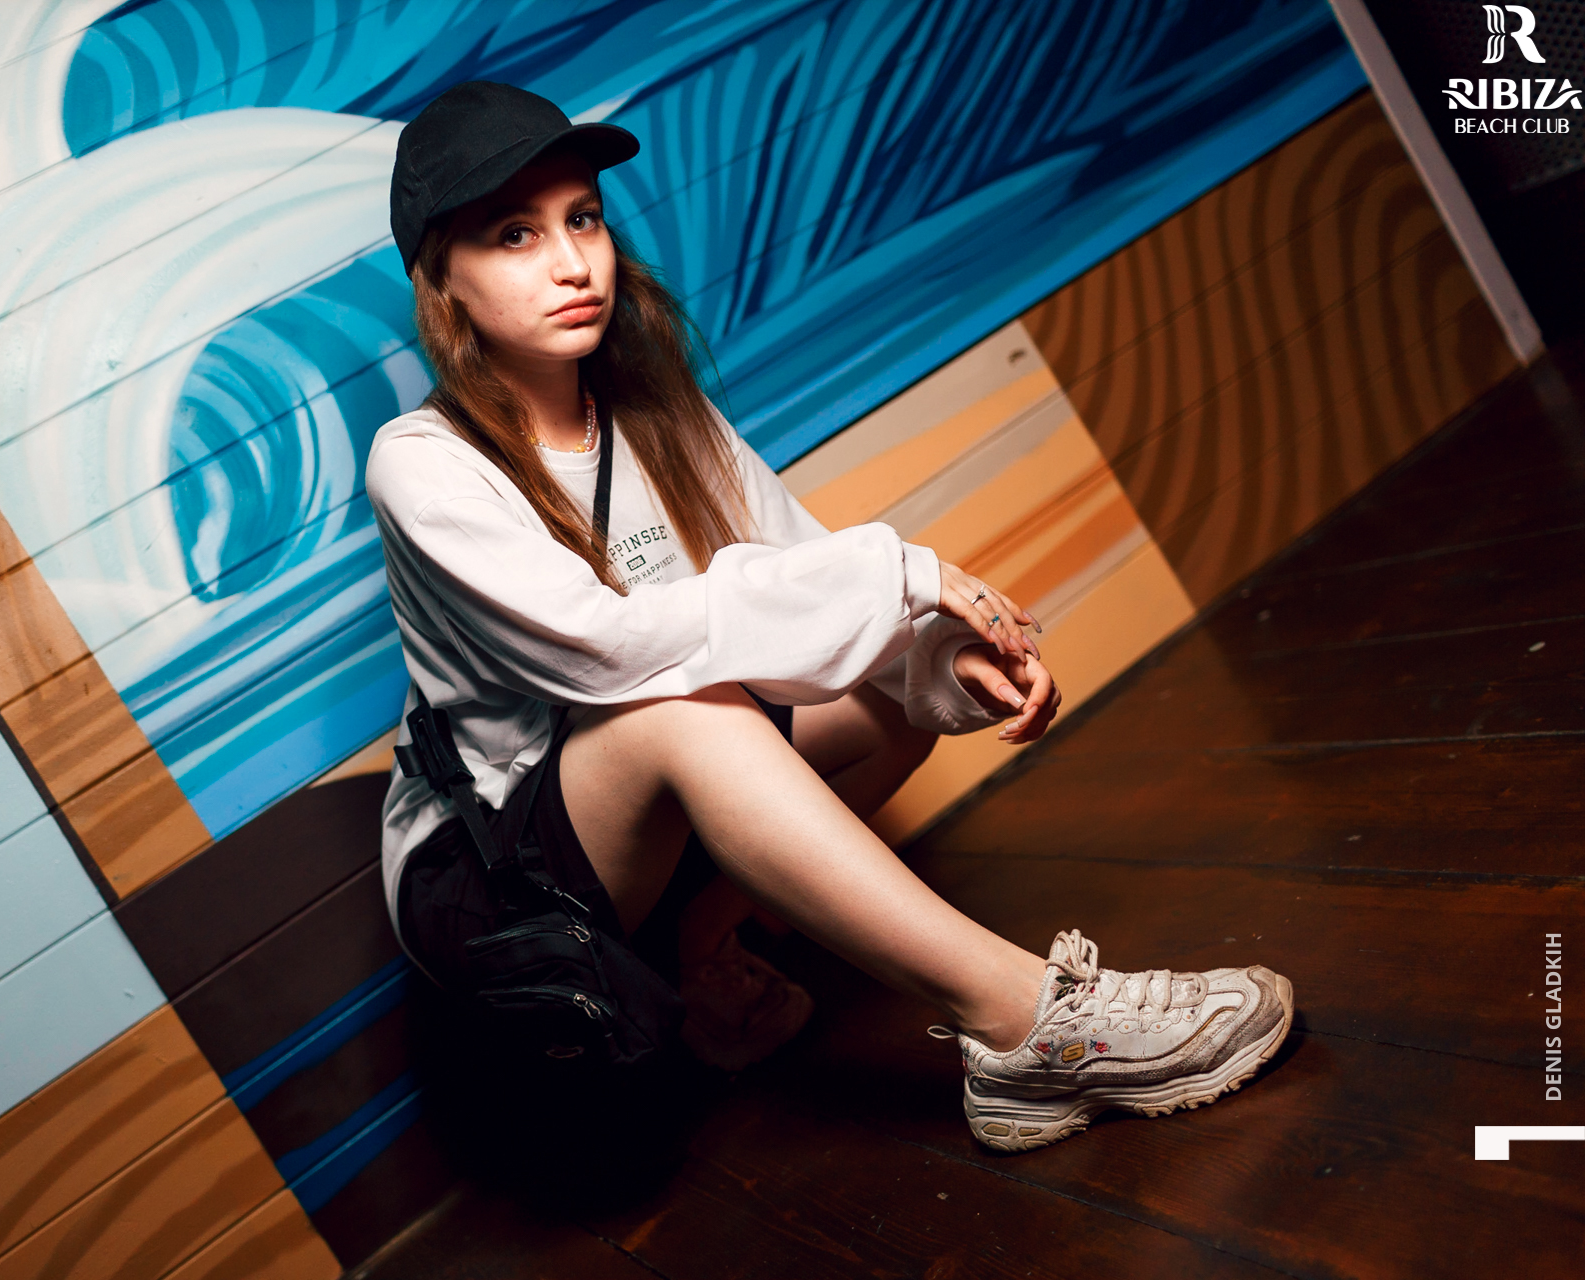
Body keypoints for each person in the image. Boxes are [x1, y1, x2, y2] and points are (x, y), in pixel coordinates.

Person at [364, 80, 1293, 1153]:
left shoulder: (655, 414)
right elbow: (607, 653)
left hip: (630, 812)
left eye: (584, 219)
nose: (575, 263)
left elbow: (805, 573)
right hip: (490, 870)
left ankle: (697, 956)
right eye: (514, 235)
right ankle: (1029, 1026)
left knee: (876, 688)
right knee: (689, 707)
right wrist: (899, 576)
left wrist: (945, 661)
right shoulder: (421, 463)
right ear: (442, 277)